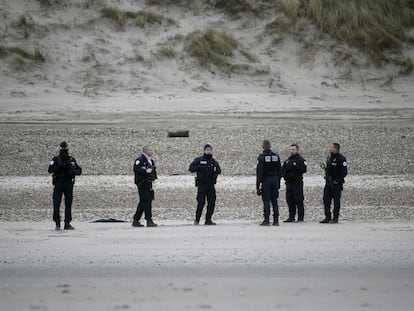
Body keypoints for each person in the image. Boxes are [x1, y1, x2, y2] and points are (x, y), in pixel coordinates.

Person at [48, 141, 82, 230]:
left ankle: (67, 223)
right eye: (63, 148)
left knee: (68, 204)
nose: (64, 149)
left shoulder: (71, 160)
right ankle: (57, 223)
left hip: (68, 183)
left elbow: (79, 171)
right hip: (59, 183)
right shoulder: (56, 159)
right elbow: (50, 170)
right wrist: (60, 166)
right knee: (56, 203)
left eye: (65, 148)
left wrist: (70, 167)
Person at [189, 144, 221, 225]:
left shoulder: (213, 161)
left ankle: (208, 220)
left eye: (210, 150)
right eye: (207, 150)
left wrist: (214, 173)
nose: (209, 151)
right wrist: (200, 167)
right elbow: (191, 168)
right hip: (202, 185)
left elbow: (219, 170)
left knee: (212, 202)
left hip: (211, 185)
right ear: (204, 151)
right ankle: (197, 220)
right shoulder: (199, 160)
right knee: (201, 202)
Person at [320, 143, 348, 224]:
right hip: (328, 183)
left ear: (336, 149)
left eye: (331, 147)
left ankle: (335, 218)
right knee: (326, 200)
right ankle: (327, 217)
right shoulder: (329, 158)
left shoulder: (341, 159)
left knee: (336, 201)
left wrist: (337, 180)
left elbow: (344, 172)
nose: (330, 148)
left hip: (336, 184)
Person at [256, 140, 281, 226]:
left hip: (266, 180)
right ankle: (276, 220)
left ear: (263, 146)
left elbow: (259, 172)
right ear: (270, 146)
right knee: (274, 201)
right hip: (275, 179)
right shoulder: (276, 156)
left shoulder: (262, 157)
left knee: (266, 200)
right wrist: (279, 183)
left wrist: (258, 186)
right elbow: (279, 170)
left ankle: (266, 220)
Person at [133, 146, 158, 227]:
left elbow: (152, 170)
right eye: (150, 150)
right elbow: (136, 169)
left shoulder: (151, 161)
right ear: (146, 151)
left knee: (144, 201)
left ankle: (136, 219)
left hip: (148, 183)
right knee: (146, 201)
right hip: (142, 183)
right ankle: (149, 220)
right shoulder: (140, 160)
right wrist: (145, 171)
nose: (152, 151)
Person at [281, 144, 307, 222]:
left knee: (299, 200)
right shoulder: (288, 160)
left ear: (297, 150)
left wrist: (295, 166)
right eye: (291, 149)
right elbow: (283, 170)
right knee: (289, 200)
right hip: (289, 183)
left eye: (293, 149)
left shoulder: (301, 160)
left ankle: (300, 217)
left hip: (297, 182)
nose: (292, 151)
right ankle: (291, 217)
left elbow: (304, 170)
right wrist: (285, 175)